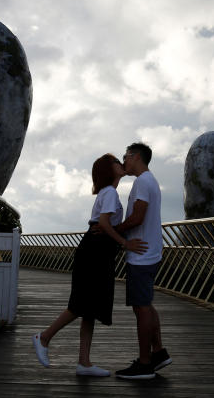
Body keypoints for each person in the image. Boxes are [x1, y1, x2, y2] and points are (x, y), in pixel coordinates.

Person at [33, 153, 147, 376]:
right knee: (81, 303)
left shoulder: (108, 193)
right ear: (108, 169)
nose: (121, 164)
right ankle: (44, 337)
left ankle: (84, 362)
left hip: (97, 249)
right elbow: (104, 222)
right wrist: (125, 243)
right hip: (95, 250)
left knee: (90, 308)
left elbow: (104, 223)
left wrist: (113, 235)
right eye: (116, 162)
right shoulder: (110, 193)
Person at [114, 142, 171, 380]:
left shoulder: (142, 182)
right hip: (149, 251)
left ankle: (145, 363)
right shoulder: (150, 181)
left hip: (141, 254)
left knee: (141, 307)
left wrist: (114, 230)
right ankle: (157, 352)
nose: (124, 161)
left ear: (136, 157)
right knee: (145, 304)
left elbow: (137, 217)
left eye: (125, 156)